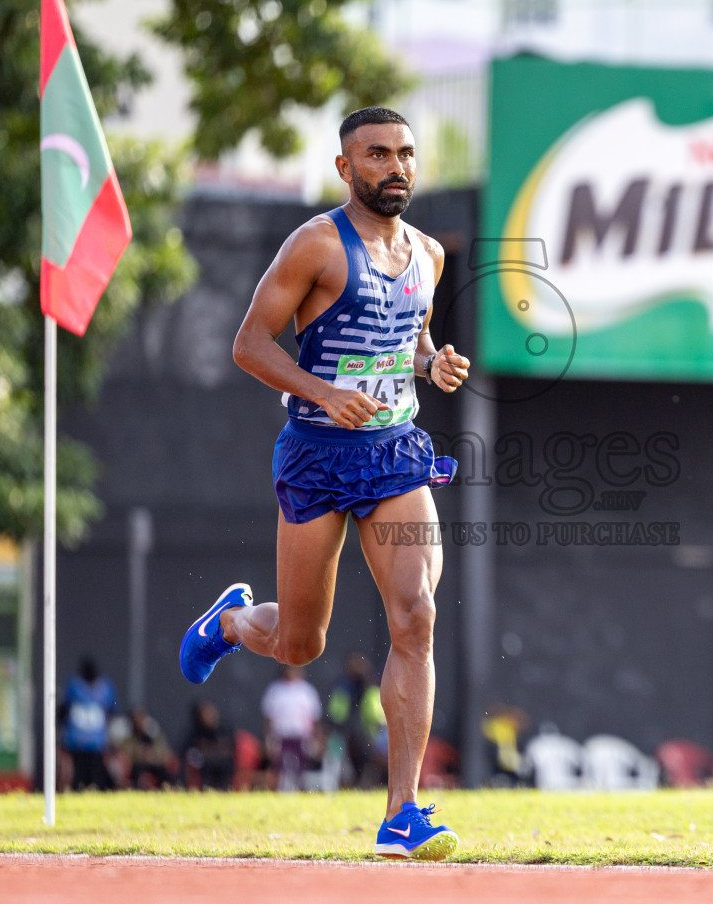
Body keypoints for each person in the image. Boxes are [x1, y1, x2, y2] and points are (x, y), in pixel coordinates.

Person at [178, 107, 467, 861]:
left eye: (405, 152)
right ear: (346, 168)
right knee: (301, 644)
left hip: (396, 452)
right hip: (316, 454)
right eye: (376, 155)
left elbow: (408, 341)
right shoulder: (315, 244)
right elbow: (247, 344)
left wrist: (430, 363)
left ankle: (402, 812)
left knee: (418, 615)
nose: (395, 166)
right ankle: (235, 622)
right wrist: (324, 391)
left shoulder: (430, 254)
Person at [327, 653, 386, 788]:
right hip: (344, 734)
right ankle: (344, 786)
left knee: (367, 763)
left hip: (367, 735)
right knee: (342, 765)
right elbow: (336, 714)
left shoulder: (371, 687)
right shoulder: (343, 687)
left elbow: (377, 716)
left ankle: (366, 785)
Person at [262, 665, 323, 791]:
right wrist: (268, 738)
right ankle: (280, 791)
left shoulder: (307, 690)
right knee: (280, 767)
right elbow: (268, 717)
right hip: (281, 736)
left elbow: (314, 718)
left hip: (301, 736)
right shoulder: (275, 690)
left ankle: (299, 790)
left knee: (301, 767)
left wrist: (317, 739)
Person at [61, 656, 117, 791]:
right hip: (82, 743)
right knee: (81, 777)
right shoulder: (77, 685)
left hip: (88, 742)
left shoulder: (76, 685)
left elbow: (63, 710)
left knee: (93, 777)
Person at [183, 700, 236, 791]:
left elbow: (231, 747)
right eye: (205, 713)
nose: (209, 716)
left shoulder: (224, 728)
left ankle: (225, 790)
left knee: (223, 764)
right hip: (205, 764)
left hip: (223, 763)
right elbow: (188, 750)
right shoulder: (196, 731)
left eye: (210, 712)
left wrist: (213, 750)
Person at [121, 705, 176, 789]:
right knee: (136, 771)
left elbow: (163, 750)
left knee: (163, 771)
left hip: (153, 763)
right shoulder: (129, 736)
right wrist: (140, 753)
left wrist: (152, 755)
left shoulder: (153, 734)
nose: (139, 722)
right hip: (137, 764)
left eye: (141, 718)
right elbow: (125, 752)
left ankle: (167, 788)